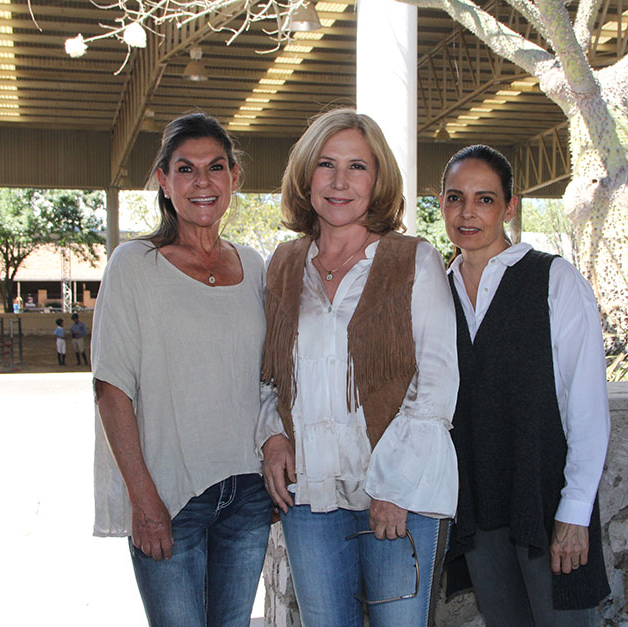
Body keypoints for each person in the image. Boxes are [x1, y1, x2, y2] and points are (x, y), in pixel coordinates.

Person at [258, 108, 459, 627]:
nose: (340, 182)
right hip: (310, 493)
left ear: (379, 180)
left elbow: (436, 382)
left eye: (357, 167)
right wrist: (273, 437)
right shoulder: (282, 264)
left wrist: (396, 488)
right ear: (306, 177)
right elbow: (269, 376)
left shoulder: (414, 260)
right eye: (326, 165)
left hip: (396, 491)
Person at [91, 112, 272, 627]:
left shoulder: (254, 266)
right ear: (163, 181)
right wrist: (143, 499)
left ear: (234, 177)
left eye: (215, 167)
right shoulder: (134, 265)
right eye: (186, 169)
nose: (202, 182)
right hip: (171, 496)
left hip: (248, 493)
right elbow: (110, 389)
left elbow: (267, 377)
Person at [439, 145, 611, 626]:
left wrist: (574, 511)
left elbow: (587, 406)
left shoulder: (553, 280)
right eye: (456, 198)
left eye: (485, 199)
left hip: (545, 503)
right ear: (441, 203)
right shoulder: (434, 291)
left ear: (510, 207)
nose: (468, 212)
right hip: (476, 506)